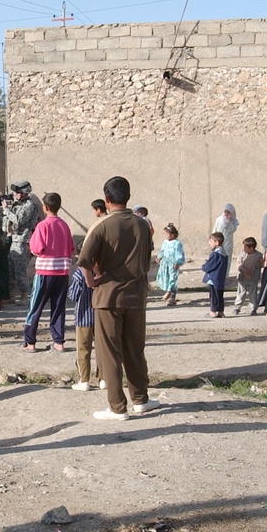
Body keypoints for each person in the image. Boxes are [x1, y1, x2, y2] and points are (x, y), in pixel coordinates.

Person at [77, 176, 156, 421]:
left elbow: (84, 261)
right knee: (135, 348)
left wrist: (91, 283)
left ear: (107, 199)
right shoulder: (143, 224)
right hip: (136, 294)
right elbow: (148, 257)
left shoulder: (101, 225)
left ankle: (117, 406)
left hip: (108, 296)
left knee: (109, 351)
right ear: (128, 197)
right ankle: (140, 399)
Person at [22, 193, 73, 353]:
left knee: (35, 306)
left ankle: (30, 342)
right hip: (62, 273)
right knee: (58, 307)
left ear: (45, 207)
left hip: (45, 273)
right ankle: (59, 342)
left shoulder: (42, 226)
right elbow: (71, 248)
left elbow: (36, 248)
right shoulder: (65, 225)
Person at [2, 180, 39, 303]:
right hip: (14, 240)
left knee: (20, 271)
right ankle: (11, 296)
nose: (16, 194)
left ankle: (24, 296)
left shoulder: (29, 206)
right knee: (11, 271)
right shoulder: (18, 205)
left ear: (24, 192)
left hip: (23, 241)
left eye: (18, 192)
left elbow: (18, 219)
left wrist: (7, 210)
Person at [68, 265, 101, 391]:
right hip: (100, 316)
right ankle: (103, 378)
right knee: (102, 349)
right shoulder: (102, 271)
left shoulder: (79, 274)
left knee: (83, 349)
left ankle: (84, 380)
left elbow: (73, 295)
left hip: (83, 316)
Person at [154, 223, 184, 307]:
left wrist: (178, 262)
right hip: (165, 263)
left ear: (173, 235)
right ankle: (168, 291)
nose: (165, 235)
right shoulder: (165, 242)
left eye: (167, 234)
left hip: (173, 264)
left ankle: (173, 298)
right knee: (166, 278)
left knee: (172, 279)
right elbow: (162, 251)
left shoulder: (177, 243)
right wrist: (159, 257)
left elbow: (179, 254)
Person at [232, 237, 263, 316]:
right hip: (242, 278)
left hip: (253, 278)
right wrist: (242, 268)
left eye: (245, 247)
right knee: (241, 293)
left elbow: (261, 264)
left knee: (253, 294)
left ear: (251, 248)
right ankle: (237, 307)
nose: (244, 248)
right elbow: (238, 263)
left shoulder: (258, 256)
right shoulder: (242, 255)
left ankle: (253, 308)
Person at [201, 232, 228, 318]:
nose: (209, 243)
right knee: (220, 295)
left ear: (216, 242)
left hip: (213, 278)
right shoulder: (224, 253)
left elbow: (210, 265)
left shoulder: (216, 254)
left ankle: (213, 312)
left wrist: (203, 267)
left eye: (211, 241)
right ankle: (220, 311)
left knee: (213, 296)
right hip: (220, 278)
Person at [212, 203, 238, 271]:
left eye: (228, 212)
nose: (226, 214)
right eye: (225, 212)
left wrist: (229, 222)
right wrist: (213, 241)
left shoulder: (234, 221)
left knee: (227, 260)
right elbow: (215, 230)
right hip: (219, 243)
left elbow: (232, 230)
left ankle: (225, 277)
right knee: (218, 258)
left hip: (228, 244)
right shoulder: (219, 220)